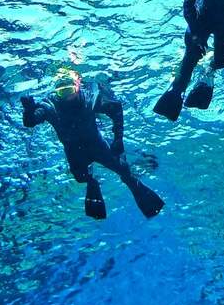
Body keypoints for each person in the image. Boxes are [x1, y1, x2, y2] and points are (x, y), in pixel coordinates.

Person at [22, 65, 164, 219]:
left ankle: (134, 185)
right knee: (80, 176)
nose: (66, 96)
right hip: (74, 151)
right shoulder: (49, 105)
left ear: (78, 86)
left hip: (97, 145)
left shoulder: (89, 98)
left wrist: (118, 139)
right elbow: (31, 121)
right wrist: (28, 110)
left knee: (123, 170)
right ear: (56, 92)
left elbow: (115, 109)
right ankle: (92, 182)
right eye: (62, 92)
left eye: (69, 90)